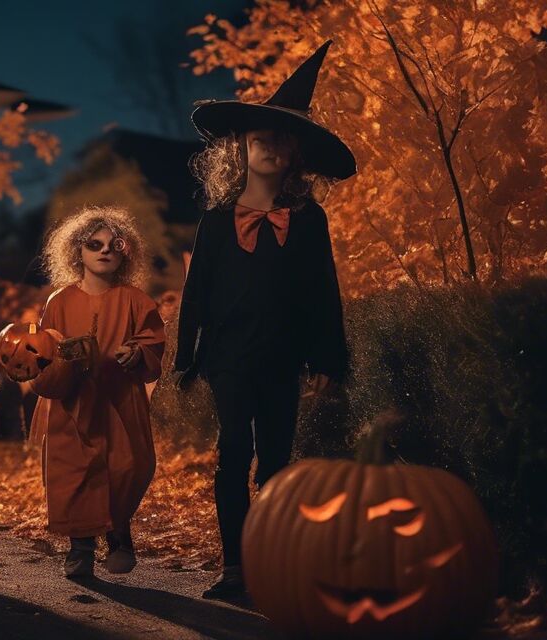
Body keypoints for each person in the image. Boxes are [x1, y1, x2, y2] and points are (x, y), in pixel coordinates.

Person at [176, 40, 353, 601]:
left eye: (281, 140)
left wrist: (329, 359)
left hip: (284, 355)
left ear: (295, 152)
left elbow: (325, 291)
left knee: (278, 459)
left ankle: (270, 564)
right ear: (240, 150)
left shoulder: (308, 220)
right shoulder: (215, 221)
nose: (270, 148)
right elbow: (195, 292)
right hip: (229, 356)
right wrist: (186, 359)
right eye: (260, 140)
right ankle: (235, 568)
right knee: (233, 453)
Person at [28, 206, 165, 578]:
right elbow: (43, 348)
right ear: (78, 251)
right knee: (76, 471)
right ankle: (82, 546)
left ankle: (118, 529)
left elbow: (154, 343)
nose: (104, 250)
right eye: (94, 244)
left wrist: (136, 351)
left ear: (125, 252)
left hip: (120, 399)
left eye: (113, 245)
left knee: (128, 465)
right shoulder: (60, 301)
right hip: (72, 401)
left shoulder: (136, 300)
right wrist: (57, 359)